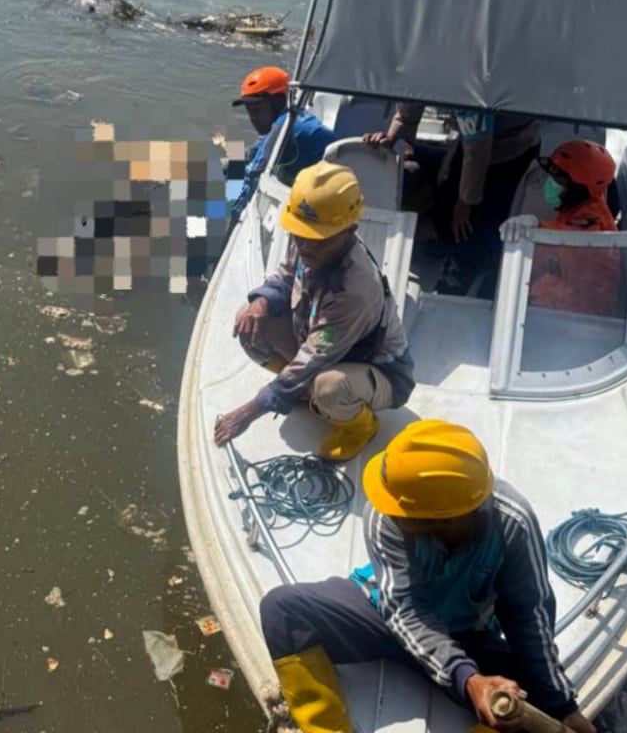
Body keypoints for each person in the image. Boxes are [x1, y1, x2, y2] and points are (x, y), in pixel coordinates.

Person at [259, 419, 597, 733]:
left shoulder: (512, 522)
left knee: (524, 700)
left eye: (405, 515)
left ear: (445, 519)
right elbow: (404, 610)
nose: (391, 513)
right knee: (282, 609)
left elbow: (528, 615)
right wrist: (469, 680)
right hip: (384, 616)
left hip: (465, 636)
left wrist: (562, 706)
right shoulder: (384, 513)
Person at [212, 160, 414, 462]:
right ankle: (299, 393)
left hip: (378, 371)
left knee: (328, 387)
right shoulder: (307, 238)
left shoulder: (356, 291)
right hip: (324, 344)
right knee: (251, 324)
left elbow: (313, 359)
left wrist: (249, 412)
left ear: (349, 231)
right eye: (299, 234)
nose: (305, 246)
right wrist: (261, 302)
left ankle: (360, 426)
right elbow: (285, 276)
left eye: (317, 240)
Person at [364, 104, 539, 293]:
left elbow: (477, 151)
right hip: (469, 138)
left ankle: (466, 271)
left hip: (509, 148)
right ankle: (449, 242)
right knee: (447, 198)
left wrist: (465, 203)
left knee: (476, 223)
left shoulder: (472, 102)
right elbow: (410, 108)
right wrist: (393, 137)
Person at [500, 140, 621, 317]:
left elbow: (566, 237)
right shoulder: (585, 206)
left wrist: (535, 225)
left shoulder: (590, 228)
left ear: (579, 188)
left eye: (558, 180)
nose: (551, 183)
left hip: (573, 318)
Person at [230, 66, 337, 222]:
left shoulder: (285, 127)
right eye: (249, 111)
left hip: (321, 203)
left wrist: (235, 219)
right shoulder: (293, 116)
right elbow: (256, 150)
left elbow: (255, 173)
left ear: (278, 102)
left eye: (257, 110)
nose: (253, 119)